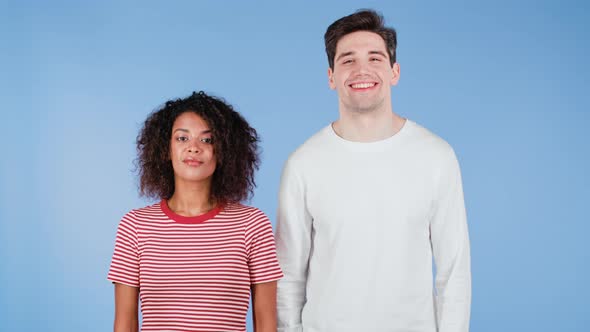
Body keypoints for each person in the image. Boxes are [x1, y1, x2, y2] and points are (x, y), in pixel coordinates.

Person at [275, 9, 471, 332]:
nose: (361, 69)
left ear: (395, 71)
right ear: (331, 76)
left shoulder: (437, 157)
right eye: (348, 60)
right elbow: (288, 278)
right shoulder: (303, 165)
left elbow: (454, 273)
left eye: (375, 58)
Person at [108, 91, 283, 332]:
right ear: (165, 149)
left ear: (223, 151)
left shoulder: (252, 224)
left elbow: (266, 323)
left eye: (207, 140)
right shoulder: (135, 226)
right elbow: (125, 324)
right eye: (182, 138)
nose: (193, 148)